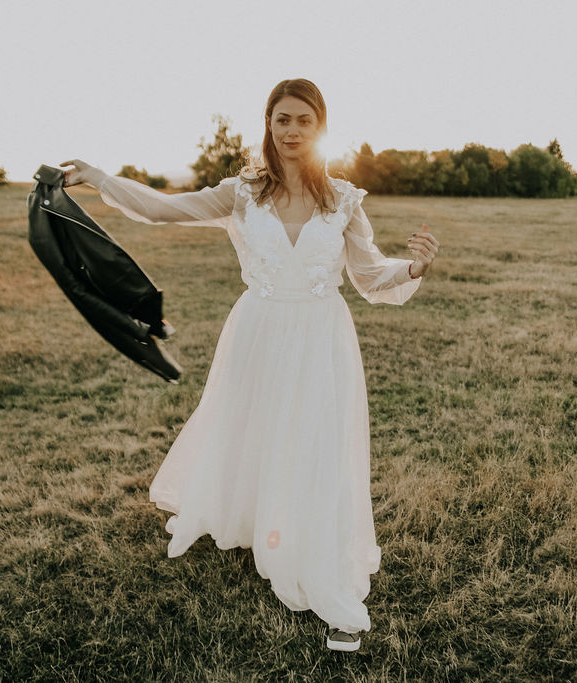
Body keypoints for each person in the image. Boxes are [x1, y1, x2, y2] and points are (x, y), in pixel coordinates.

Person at [61, 78, 439, 652]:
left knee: (313, 441)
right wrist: (97, 176)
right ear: (268, 126)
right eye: (281, 120)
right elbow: (162, 209)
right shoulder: (242, 194)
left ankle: (318, 564)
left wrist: (412, 269)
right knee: (252, 428)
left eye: (303, 121)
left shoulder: (343, 200)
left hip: (320, 336)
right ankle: (256, 520)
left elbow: (368, 277)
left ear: (320, 127)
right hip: (257, 331)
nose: (291, 131)